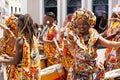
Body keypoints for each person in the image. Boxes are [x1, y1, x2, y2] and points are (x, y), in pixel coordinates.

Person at [60, 8, 120, 80]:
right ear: (76, 24)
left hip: (93, 71)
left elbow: (108, 43)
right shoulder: (73, 36)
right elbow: (66, 39)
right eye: (79, 24)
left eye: (85, 24)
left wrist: (118, 44)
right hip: (77, 72)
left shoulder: (94, 35)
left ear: (90, 24)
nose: (82, 26)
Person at [0, 14, 40, 80]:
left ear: (18, 25)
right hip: (33, 74)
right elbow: (23, 57)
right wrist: (9, 58)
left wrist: (2, 60)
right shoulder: (33, 37)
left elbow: (16, 61)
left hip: (24, 75)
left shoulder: (20, 40)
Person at [101, 5, 120, 72]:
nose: (112, 17)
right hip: (110, 45)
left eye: (114, 15)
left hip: (116, 44)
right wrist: (100, 35)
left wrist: (102, 40)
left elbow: (114, 34)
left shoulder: (118, 24)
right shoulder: (111, 23)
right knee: (107, 58)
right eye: (112, 15)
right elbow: (106, 31)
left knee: (113, 59)